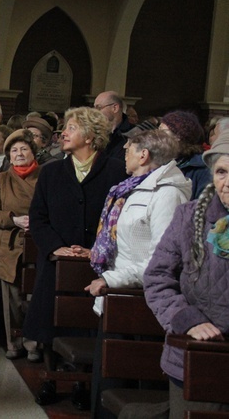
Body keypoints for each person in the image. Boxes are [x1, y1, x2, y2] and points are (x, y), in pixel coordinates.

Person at [81, 128, 190, 416]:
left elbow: (162, 259)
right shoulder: (131, 187)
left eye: (128, 149)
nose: (124, 154)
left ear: (144, 155)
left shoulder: (167, 195)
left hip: (141, 302)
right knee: (106, 385)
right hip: (120, 298)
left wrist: (111, 278)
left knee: (132, 392)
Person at [26, 106, 127, 407]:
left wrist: (96, 248)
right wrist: (55, 247)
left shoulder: (116, 170)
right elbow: (38, 216)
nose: (64, 133)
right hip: (56, 262)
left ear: (91, 135)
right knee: (49, 322)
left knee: (84, 323)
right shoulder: (52, 171)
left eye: (72, 127)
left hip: (94, 263)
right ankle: (50, 379)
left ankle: (82, 383)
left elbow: (118, 218)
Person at [144, 130, 229, 417]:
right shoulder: (189, 216)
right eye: (221, 172)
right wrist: (187, 320)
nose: (227, 183)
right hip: (196, 355)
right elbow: (157, 280)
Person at [0, 129, 42, 362]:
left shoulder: (45, 175)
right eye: (14, 150)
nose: (19, 154)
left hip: (35, 243)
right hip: (8, 245)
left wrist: (36, 221)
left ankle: (34, 344)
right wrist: (13, 219)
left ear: (33, 152)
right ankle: (13, 342)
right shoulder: (3, 178)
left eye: (24, 149)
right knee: (11, 298)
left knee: (34, 297)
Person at [159, 110, 211, 200]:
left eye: (162, 131)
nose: (157, 135)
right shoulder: (157, 161)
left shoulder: (201, 168)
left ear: (178, 136)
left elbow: (203, 205)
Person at [93, 90, 133, 163]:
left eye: (98, 107)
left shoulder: (133, 133)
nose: (95, 112)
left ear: (115, 108)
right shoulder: (93, 131)